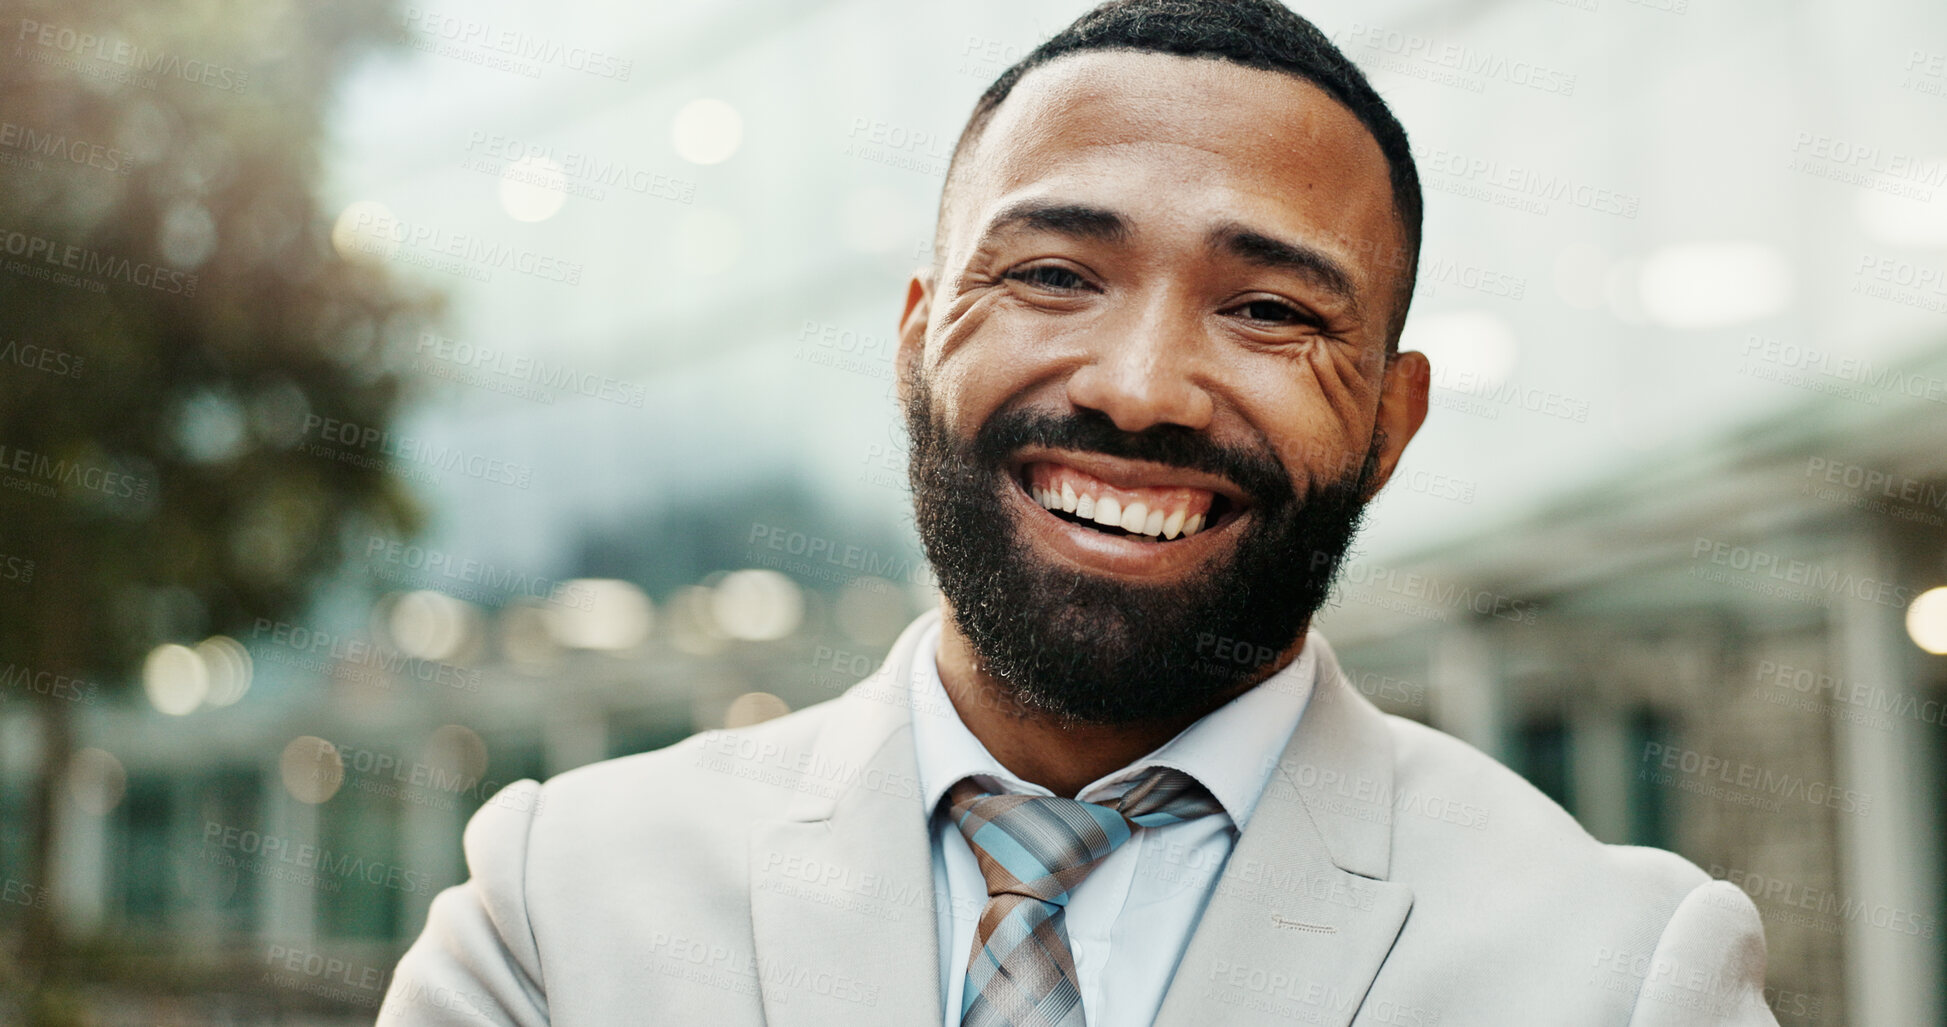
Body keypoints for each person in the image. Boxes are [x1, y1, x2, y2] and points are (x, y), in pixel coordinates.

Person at [379, 1, 1777, 1023]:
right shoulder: (558, 903)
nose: (1142, 387)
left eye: (1271, 311)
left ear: (1390, 423)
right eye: (1053, 275)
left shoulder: (1626, 976)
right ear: (921, 337)